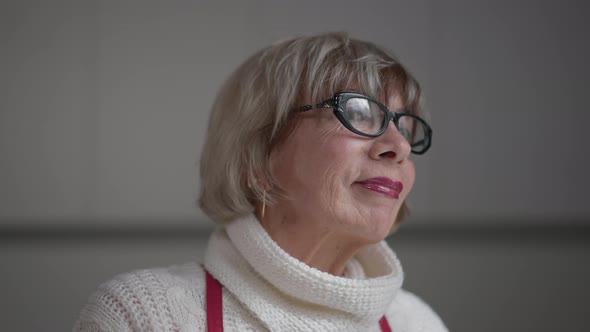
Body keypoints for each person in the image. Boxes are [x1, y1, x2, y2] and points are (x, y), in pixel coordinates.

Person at [74, 32, 447, 332]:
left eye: (405, 125)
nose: (398, 146)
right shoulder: (143, 315)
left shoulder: (415, 323)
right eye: (359, 113)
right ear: (261, 154)